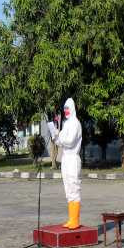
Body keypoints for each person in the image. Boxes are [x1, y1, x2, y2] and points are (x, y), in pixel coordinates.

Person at [47, 98, 83, 229]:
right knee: (68, 188)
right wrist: (55, 134)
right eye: (65, 109)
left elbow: (69, 141)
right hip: (66, 158)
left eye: (68, 108)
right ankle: (71, 218)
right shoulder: (67, 123)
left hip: (73, 158)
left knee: (74, 186)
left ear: (72, 109)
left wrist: (59, 137)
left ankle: (75, 220)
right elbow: (60, 142)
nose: (66, 111)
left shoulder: (75, 124)